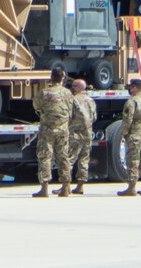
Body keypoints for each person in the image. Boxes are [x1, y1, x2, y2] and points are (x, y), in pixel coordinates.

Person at [32, 66, 72, 197]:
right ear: (62, 78)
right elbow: (71, 110)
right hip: (63, 129)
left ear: (51, 77)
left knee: (45, 157)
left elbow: (36, 105)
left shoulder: (45, 93)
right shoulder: (68, 93)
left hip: (47, 129)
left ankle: (44, 188)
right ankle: (66, 187)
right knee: (63, 157)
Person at [118, 78, 141, 195]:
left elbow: (127, 119)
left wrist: (123, 133)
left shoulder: (132, 101)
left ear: (134, 88)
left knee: (132, 160)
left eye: (131, 87)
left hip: (135, 134)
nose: (130, 89)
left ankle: (131, 187)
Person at [68, 78, 95, 193]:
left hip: (76, 133)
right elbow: (94, 117)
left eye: (74, 86)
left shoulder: (74, 100)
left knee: (69, 159)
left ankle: (66, 186)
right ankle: (80, 186)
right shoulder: (91, 100)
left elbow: (69, 115)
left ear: (80, 87)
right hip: (87, 133)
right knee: (84, 160)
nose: (72, 88)